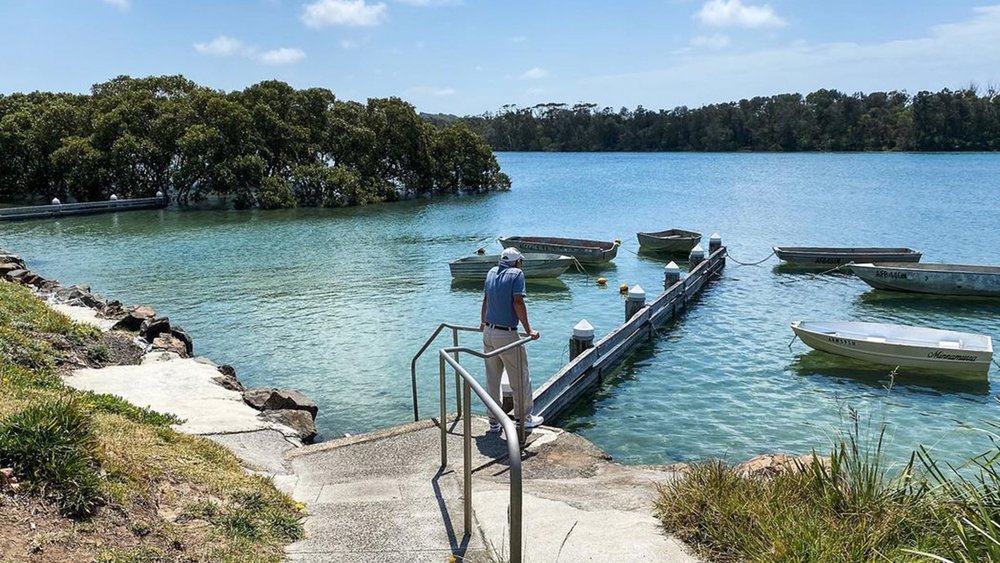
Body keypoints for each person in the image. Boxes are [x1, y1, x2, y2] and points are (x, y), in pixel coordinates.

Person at [481, 247, 543, 435]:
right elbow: (518, 302)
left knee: (493, 380)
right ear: (516, 261)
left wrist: (482, 322)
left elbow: (485, 299)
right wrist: (528, 330)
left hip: (488, 332)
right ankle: (523, 418)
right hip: (506, 334)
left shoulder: (491, 272)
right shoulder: (517, 274)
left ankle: (494, 421)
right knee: (520, 378)